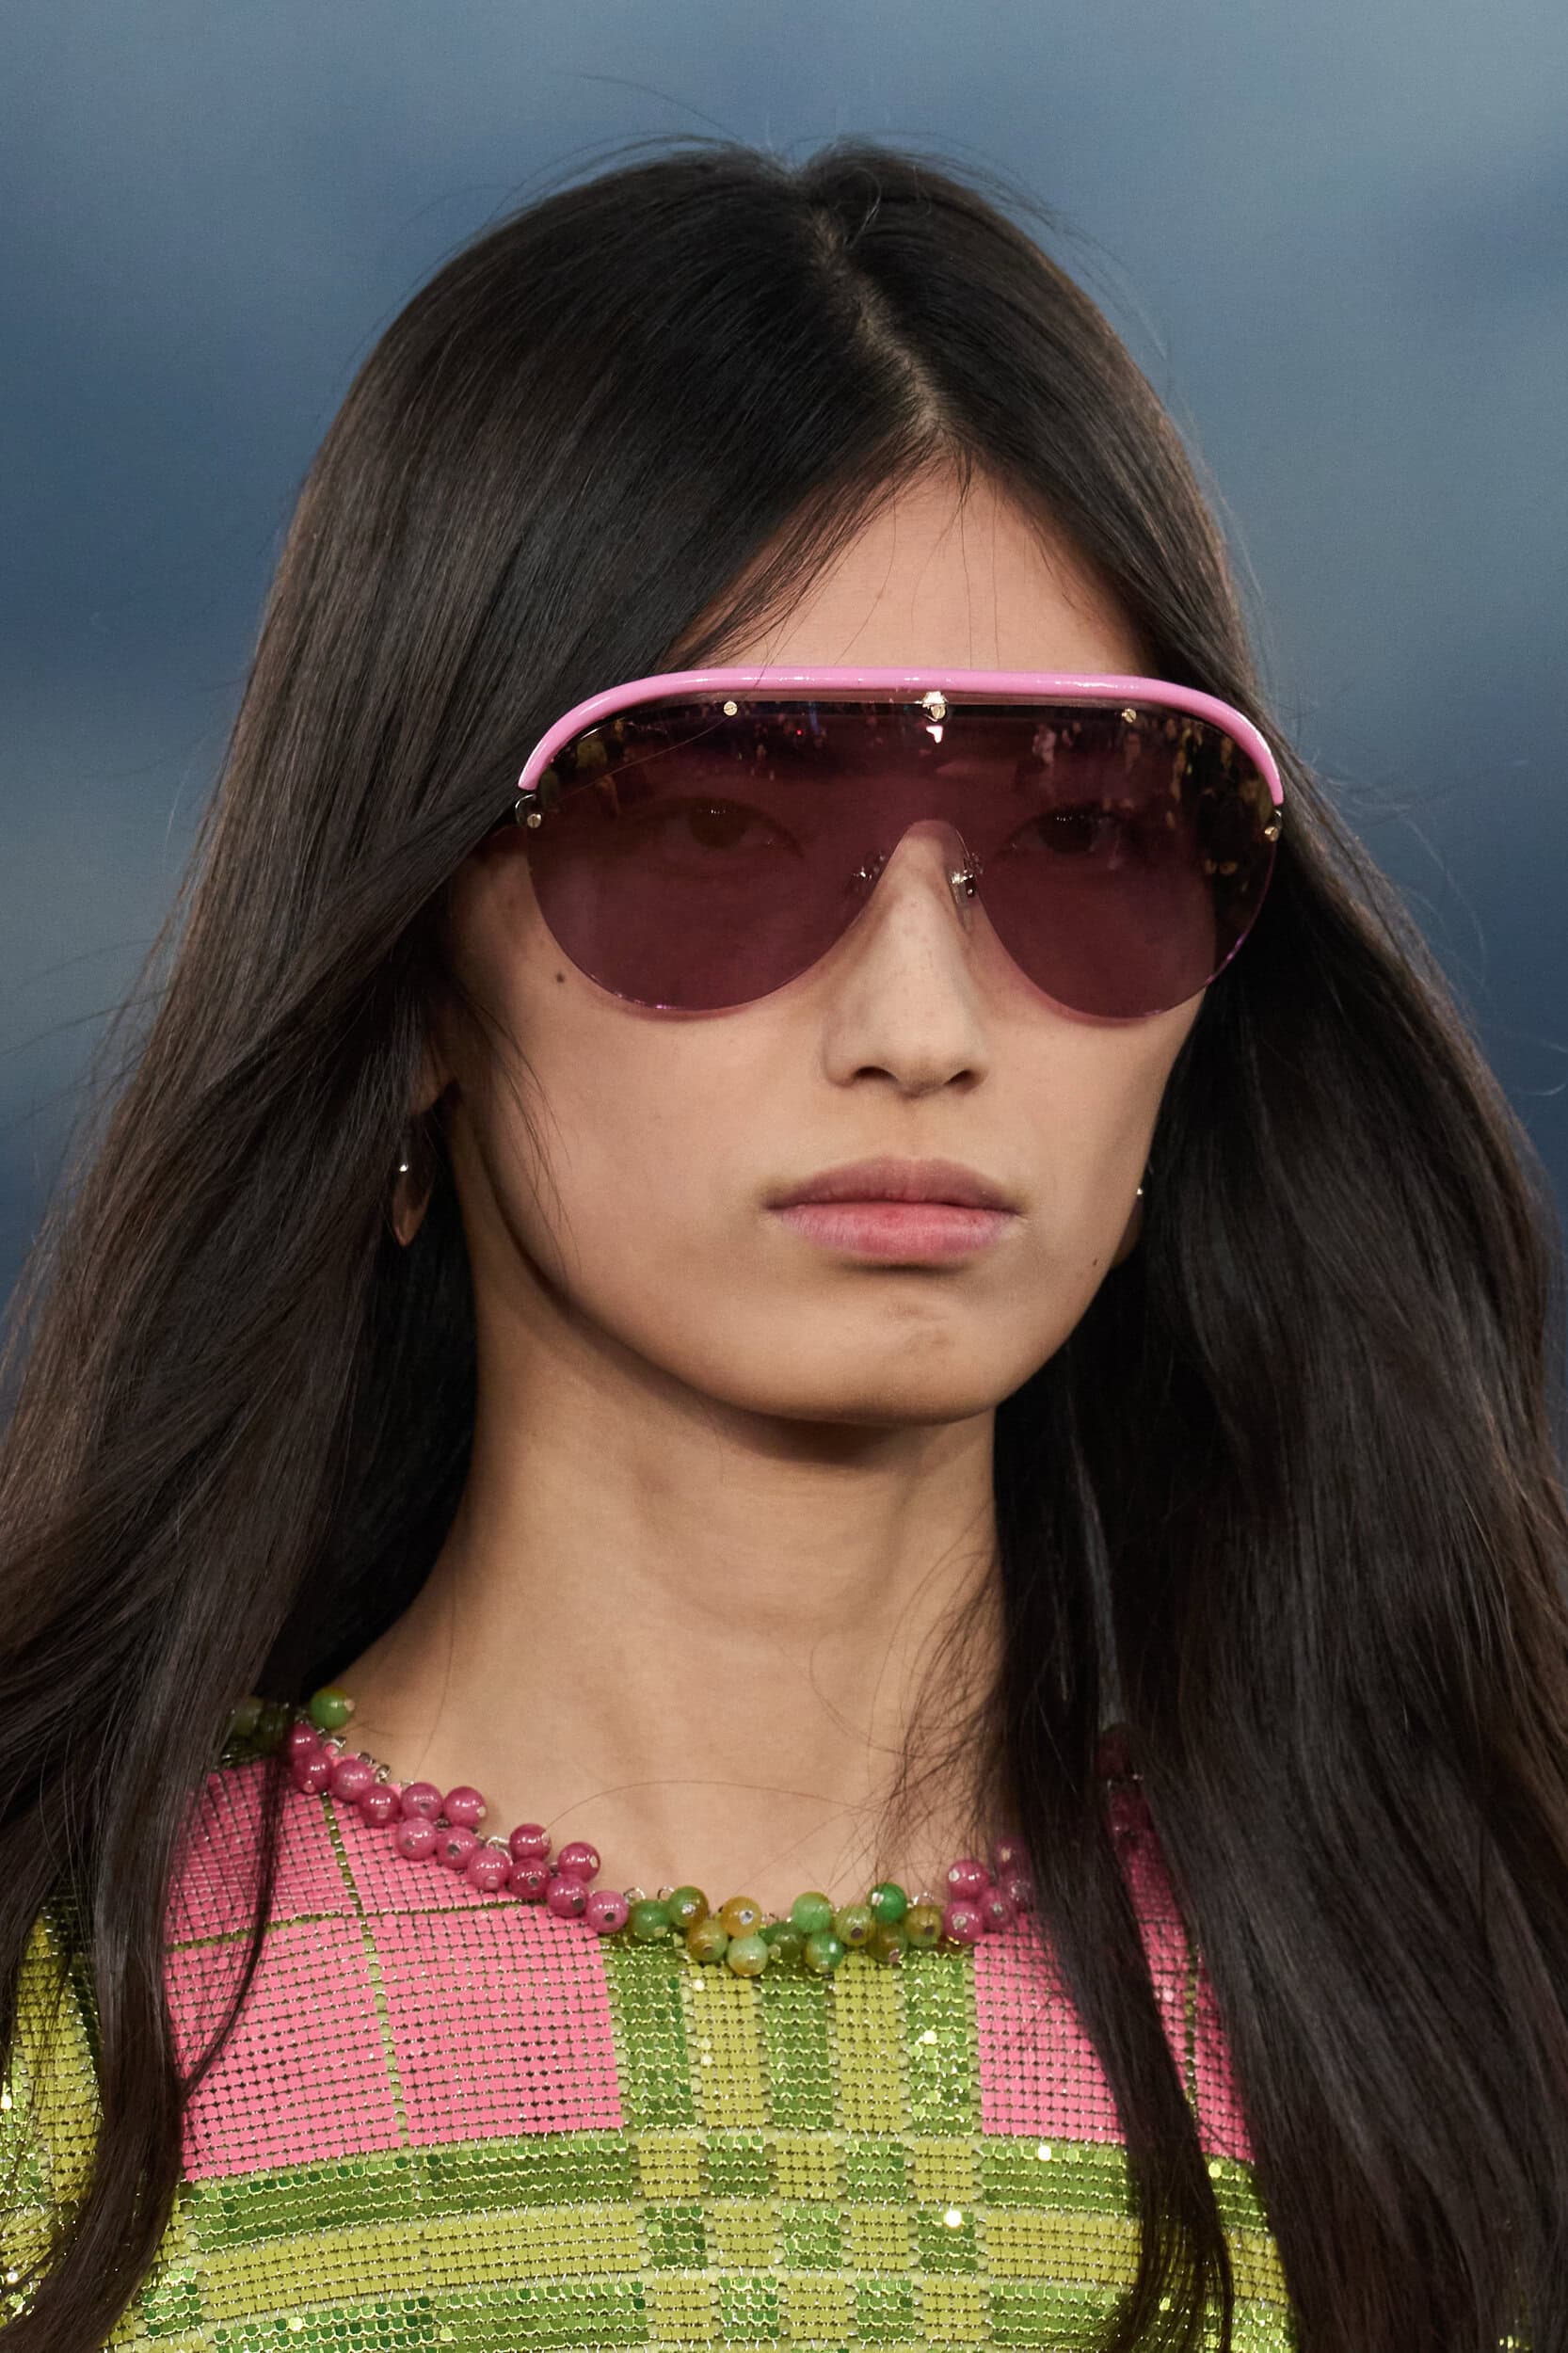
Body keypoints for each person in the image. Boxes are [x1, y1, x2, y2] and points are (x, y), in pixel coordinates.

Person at [0, 135, 1562, 2353]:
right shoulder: (50, 2019)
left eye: (1085, 833)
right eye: (716, 823)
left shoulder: (1475, 1987)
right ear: (416, 963)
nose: (922, 1024)